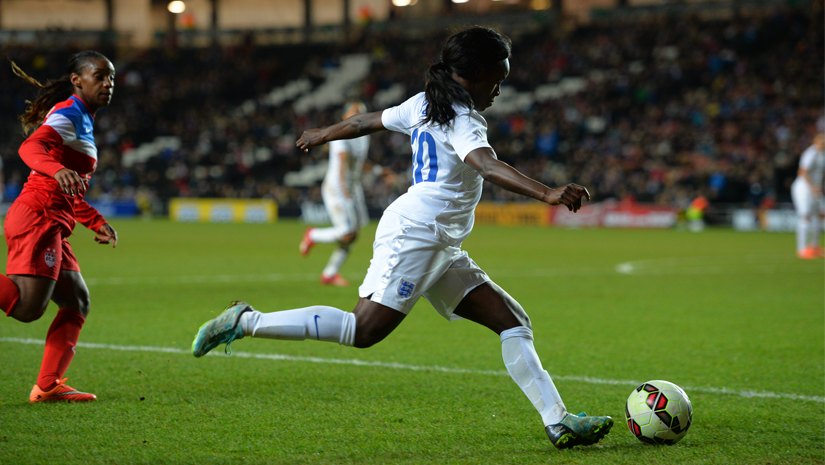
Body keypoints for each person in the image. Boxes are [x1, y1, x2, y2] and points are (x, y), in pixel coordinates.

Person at [192, 26, 612, 449]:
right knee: (362, 330)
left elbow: (364, 121)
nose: (500, 89)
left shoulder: (424, 104)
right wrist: (547, 192)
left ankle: (558, 421)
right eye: (497, 79)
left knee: (513, 322)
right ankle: (246, 321)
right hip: (418, 233)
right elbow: (485, 164)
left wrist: (323, 133)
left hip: (440, 242)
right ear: (477, 73)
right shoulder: (463, 119)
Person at [1, 52, 118, 402]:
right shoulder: (68, 113)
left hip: (52, 219)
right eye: (99, 76)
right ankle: (48, 384)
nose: (108, 83)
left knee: (77, 300)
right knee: (27, 309)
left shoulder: (82, 118)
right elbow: (31, 146)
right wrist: (55, 168)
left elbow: (69, 189)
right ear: (77, 80)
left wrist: (96, 221)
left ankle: (48, 385)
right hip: (38, 216)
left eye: (111, 77)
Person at [299, 101, 371, 287]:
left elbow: (360, 162)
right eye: (354, 112)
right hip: (337, 188)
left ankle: (330, 274)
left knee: (353, 235)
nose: (358, 116)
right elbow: (341, 163)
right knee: (347, 232)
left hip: (353, 188)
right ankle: (313, 235)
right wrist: (344, 190)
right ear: (344, 117)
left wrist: (379, 171)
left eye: (361, 112)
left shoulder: (363, 136)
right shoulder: (341, 135)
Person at [791, 133, 825, 259]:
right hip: (803, 188)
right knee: (805, 216)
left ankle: (814, 246)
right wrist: (812, 187)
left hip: (815, 189)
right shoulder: (811, 153)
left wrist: (819, 187)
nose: (823, 145)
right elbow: (802, 171)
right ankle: (802, 250)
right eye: (822, 142)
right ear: (815, 142)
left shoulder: (822, 154)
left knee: (821, 214)